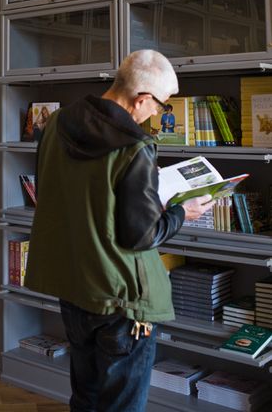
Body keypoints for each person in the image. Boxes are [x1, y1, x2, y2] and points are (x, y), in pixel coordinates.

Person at [24, 49, 214, 412]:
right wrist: (180, 212)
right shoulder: (135, 147)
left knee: (86, 397)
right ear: (141, 98)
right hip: (121, 297)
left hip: (74, 285)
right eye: (160, 105)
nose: (157, 114)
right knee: (122, 404)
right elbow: (141, 236)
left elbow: (70, 196)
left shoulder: (56, 125)